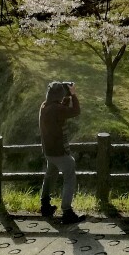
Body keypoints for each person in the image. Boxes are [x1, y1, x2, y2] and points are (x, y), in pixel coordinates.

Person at [39, 81, 85, 224]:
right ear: (60, 94)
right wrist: (73, 95)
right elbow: (76, 111)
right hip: (60, 151)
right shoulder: (56, 109)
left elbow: (60, 111)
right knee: (69, 176)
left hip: (48, 150)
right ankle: (67, 211)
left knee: (50, 175)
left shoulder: (44, 106)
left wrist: (66, 98)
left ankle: (45, 205)